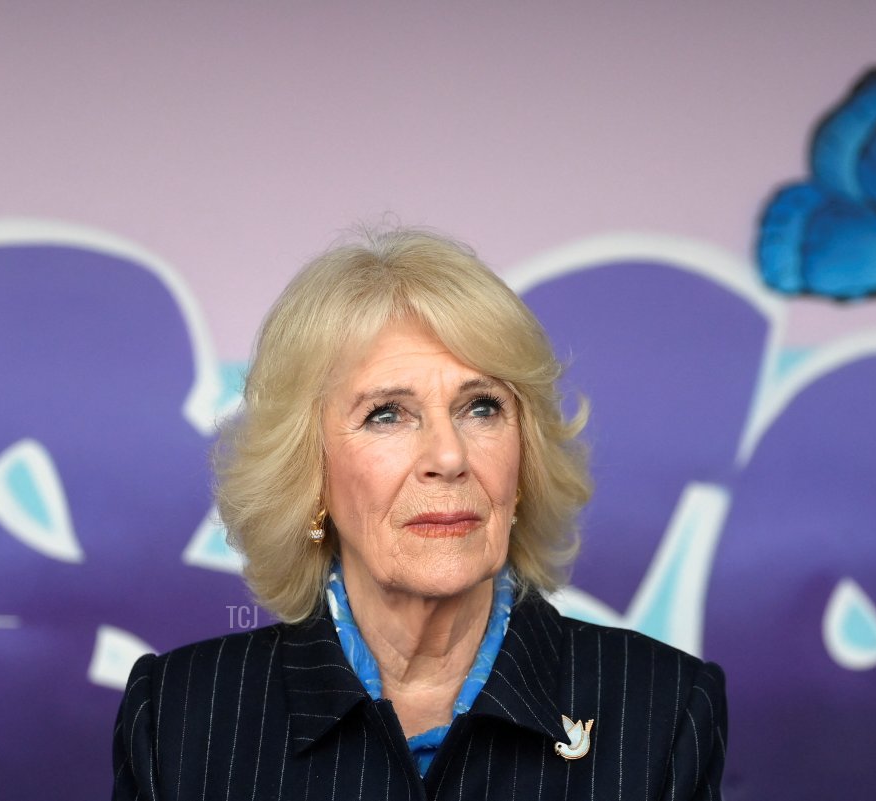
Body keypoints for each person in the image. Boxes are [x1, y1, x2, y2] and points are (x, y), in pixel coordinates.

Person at [111, 228, 727, 799]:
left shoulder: (662, 708)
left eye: (482, 407)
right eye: (387, 414)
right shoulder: (179, 716)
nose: (449, 455)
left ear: (524, 459)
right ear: (310, 473)